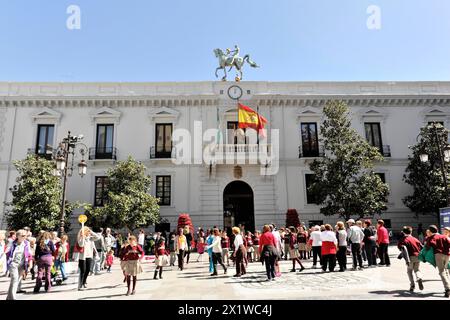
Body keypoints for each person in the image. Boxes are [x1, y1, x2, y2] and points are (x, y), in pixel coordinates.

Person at [425, 225, 450, 297]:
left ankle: (447, 289)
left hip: (438, 255)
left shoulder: (432, 237)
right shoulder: (444, 236)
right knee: (445, 270)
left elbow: (427, 247)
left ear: (430, 231)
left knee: (441, 271)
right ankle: (448, 285)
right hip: (447, 255)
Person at [397, 226, 424, 292]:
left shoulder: (402, 240)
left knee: (409, 271)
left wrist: (402, 257)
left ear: (403, 232)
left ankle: (412, 285)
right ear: (411, 232)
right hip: (418, 256)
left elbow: (402, 249)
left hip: (410, 257)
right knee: (417, 269)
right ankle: (419, 277)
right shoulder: (415, 239)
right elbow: (422, 247)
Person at [6, 230, 30, 300]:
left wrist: (29, 263)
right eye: (22, 236)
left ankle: (8, 298)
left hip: (22, 264)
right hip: (13, 264)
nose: (24, 237)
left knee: (16, 281)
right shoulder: (12, 243)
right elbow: (7, 252)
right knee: (15, 279)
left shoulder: (26, 243)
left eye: (25, 236)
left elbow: (29, 254)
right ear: (17, 236)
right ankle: (13, 298)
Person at [76, 226, 100, 290]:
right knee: (83, 271)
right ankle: (80, 285)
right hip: (82, 257)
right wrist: (83, 236)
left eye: (88, 231)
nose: (88, 232)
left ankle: (84, 282)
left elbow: (98, 237)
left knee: (88, 270)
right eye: (87, 231)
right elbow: (81, 245)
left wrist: (91, 232)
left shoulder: (90, 238)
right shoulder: (80, 238)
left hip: (89, 256)